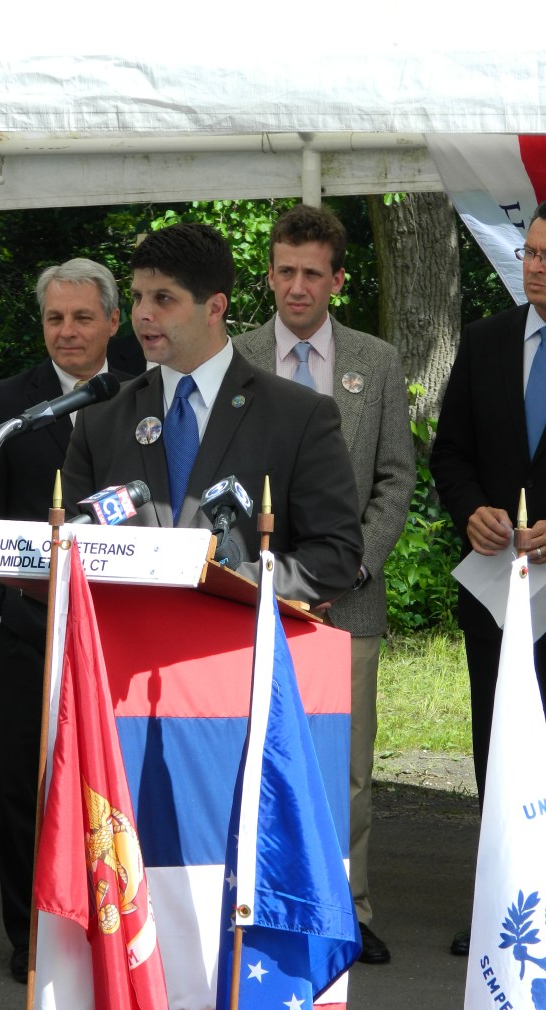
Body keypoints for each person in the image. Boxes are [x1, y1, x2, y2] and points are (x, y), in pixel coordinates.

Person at [431, 197, 546, 963]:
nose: (531, 266)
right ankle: (505, 905)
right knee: (498, 752)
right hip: (497, 594)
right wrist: (471, 510)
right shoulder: (486, 341)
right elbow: (451, 454)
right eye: (528, 252)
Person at [234, 204, 414, 965]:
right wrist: (253, 575)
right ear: (269, 273)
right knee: (245, 751)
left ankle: (349, 910)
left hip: (349, 603)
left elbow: (395, 480)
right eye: (285, 271)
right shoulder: (235, 356)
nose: (297, 287)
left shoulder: (376, 361)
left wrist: (346, 568)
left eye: (313, 273)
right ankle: (250, 901)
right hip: (246, 596)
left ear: (338, 280)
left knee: (346, 767)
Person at [0, 258, 136, 982]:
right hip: (29, 634)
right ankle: (29, 933)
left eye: (82, 317)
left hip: (120, 634)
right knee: (25, 783)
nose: (67, 332)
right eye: (55, 318)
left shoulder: (140, 397)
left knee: (114, 786)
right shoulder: (5, 403)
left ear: (113, 323)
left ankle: (112, 922)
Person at [62, 221, 363, 615]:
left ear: (215, 308)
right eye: (137, 297)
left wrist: (229, 582)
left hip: (237, 655)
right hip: (126, 655)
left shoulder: (299, 416)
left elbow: (334, 556)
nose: (143, 314)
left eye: (164, 298)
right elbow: (68, 539)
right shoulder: (101, 417)